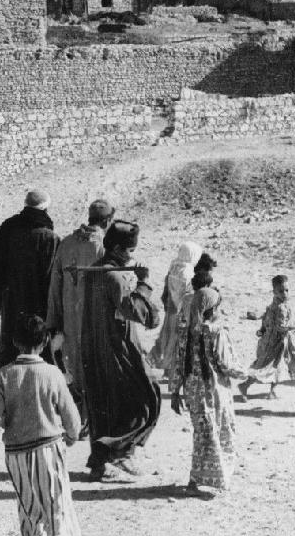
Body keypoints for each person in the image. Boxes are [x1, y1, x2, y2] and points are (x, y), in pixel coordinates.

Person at [0, 315, 85, 536]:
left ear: (15, 342)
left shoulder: (4, 376)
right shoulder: (52, 374)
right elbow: (70, 415)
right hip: (49, 450)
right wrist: (72, 435)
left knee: (27, 506)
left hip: (16, 454)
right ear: (45, 342)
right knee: (54, 505)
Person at [79, 220, 162, 482]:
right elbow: (139, 314)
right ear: (116, 249)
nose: (131, 256)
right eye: (129, 251)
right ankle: (120, 454)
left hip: (95, 347)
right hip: (116, 348)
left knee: (104, 405)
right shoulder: (114, 277)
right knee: (143, 399)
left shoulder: (94, 270)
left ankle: (102, 461)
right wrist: (144, 283)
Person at [46, 199, 115, 424]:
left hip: (70, 320)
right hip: (96, 320)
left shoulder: (66, 243)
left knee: (74, 369)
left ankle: (77, 421)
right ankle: (91, 421)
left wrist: (53, 321)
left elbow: (55, 285)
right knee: (96, 368)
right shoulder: (105, 246)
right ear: (108, 220)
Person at [170, 280, 241, 495]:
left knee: (202, 434)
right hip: (214, 390)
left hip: (193, 390)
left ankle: (196, 480)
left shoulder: (185, 331)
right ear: (212, 309)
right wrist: (246, 373)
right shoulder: (216, 332)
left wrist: (175, 392)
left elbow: (178, 362)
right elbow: (225, 365)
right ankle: (211, 479)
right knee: (219, 431)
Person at [0, 190, 59, 370]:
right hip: (39, 303)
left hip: (12, 303)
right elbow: (52, 277)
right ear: (45, 208)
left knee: (11, 348)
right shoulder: (49, 237)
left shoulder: (8, 230)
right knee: (40, 348)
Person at [237, 275, 295, 401]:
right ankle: (245, 385)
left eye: (287, 290)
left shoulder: (275, 305)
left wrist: (262, 330)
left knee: (276, 366)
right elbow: (281, 326)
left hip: (276, 341)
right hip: (274, 343)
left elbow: (266, 319)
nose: (285, 294)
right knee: (265, 367)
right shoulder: (280, 307)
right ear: (274, 292)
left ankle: (272, 391)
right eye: (281, 291)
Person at [150, 241, 203, 382]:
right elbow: (188, 293)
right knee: (177, 340)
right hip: (181, 310)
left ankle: (166, 369)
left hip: (171, 308)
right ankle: (171, 371)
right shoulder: (188, 271)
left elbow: (167, 286)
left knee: (168, 338)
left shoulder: (174, 266)